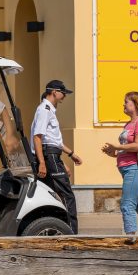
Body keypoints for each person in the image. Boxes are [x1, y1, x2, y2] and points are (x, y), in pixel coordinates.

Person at [102, 92, 138, 243]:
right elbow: (127, 149)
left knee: (127, 204)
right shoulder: (129, 124)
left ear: (135, 104)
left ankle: (130, 238)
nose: (123, 105)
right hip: (127, 167)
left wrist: (118, 146)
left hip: (135, 168)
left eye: (126, 102)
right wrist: (114, 152)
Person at [30, 80, 82, 234]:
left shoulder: (49, 110)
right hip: (48, 156)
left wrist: (70, 155)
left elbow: (53, 140)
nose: (64, 95)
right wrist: (42, 163)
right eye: (63, 92)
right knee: (67, 195)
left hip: (52, 155)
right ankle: (72, 234)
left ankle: (54, 229)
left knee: (53, 194)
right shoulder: (44, 110)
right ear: (54, 92)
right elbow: (38, 137)